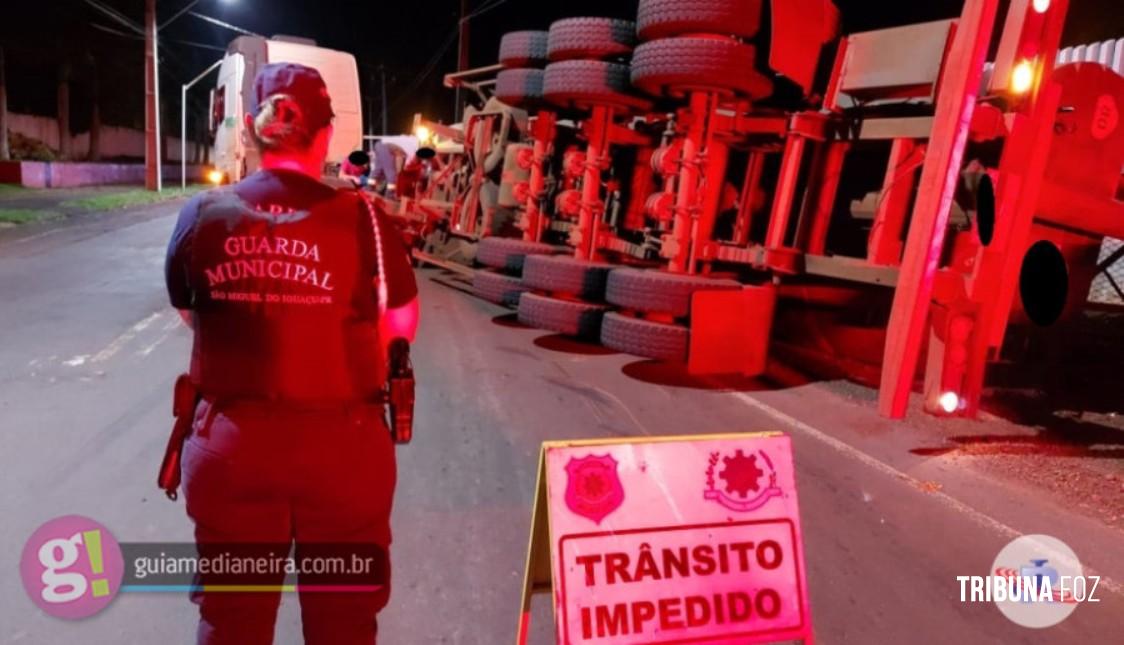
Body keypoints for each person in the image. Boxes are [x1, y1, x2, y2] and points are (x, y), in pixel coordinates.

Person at [164, 62, 419, 645]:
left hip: (231, 447)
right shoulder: (366, 220)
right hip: (344, 450)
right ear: (326, 135)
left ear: (251, 133)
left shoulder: (200, 215)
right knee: (344, 624)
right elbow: (401, 326)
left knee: (231, 623)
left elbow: (189, 311)